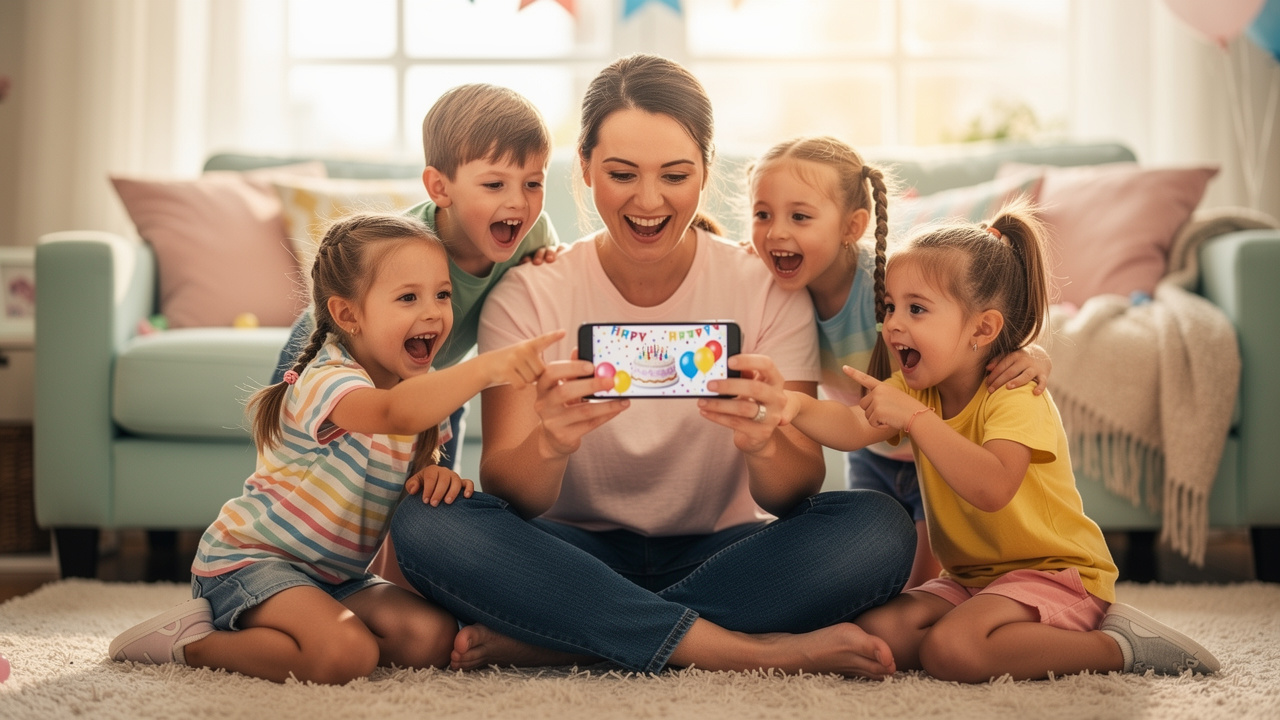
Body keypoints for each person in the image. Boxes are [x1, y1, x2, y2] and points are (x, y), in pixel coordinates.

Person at [387, 54, 916, 678]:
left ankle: (569, 638)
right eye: (621, 173)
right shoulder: (529, 292)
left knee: (878, 526)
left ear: (706, 173)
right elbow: (509, 490)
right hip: (570, 553)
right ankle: (734, 649)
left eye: (674, 175)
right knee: (424, 522)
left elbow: (795, 490)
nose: (648, 200)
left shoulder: (765, 285)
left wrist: (765, 442)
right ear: (583, 169)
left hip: (724, 553)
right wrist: (550, 443)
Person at [108, 213, 562, 684]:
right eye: (408, 297)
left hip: (334, 578)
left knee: (429, 638)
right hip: (251, 563)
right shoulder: (329, 379)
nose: (433, 312)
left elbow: (397, 507)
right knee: (346, 655)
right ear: (348, 315)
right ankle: (193, 644)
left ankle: (308, 634)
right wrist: (488, 368)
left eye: (442, 295)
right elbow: (392, 414)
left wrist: (431, 479)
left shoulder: (420, 396)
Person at [779, 202, 1220, 681]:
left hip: (1054, 574)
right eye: (890, 306)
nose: (892, 325)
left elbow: (992, 488)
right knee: (877, 636)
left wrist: (917, 419)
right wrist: (792, 406)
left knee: (952, 652)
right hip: (971, 580)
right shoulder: (918, 388)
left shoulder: (1014, 394)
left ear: (983, 329)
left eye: (916, 309)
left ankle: (1117, 647)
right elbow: (851, 427)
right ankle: (997, 636)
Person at [746, 136, 1053, 590]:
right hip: (872, 450)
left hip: (937, 451)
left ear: (853, 226)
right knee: (878, 581)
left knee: (923, 585)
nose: (776, 233)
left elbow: (972, 316)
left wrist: (1032, 352)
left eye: (800, 217)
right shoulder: (771, 289)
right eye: (762, 215)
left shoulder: (892, 285)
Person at [270, 82, 560, 471]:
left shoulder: (534, 234)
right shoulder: (405, 247)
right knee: (296, 463)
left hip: (429, 368)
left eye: (533, 183)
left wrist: (550, 261)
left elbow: (554, 270)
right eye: (495, 184)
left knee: (435, 473)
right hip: (332, 343)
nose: (518, 202)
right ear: (440, 188)